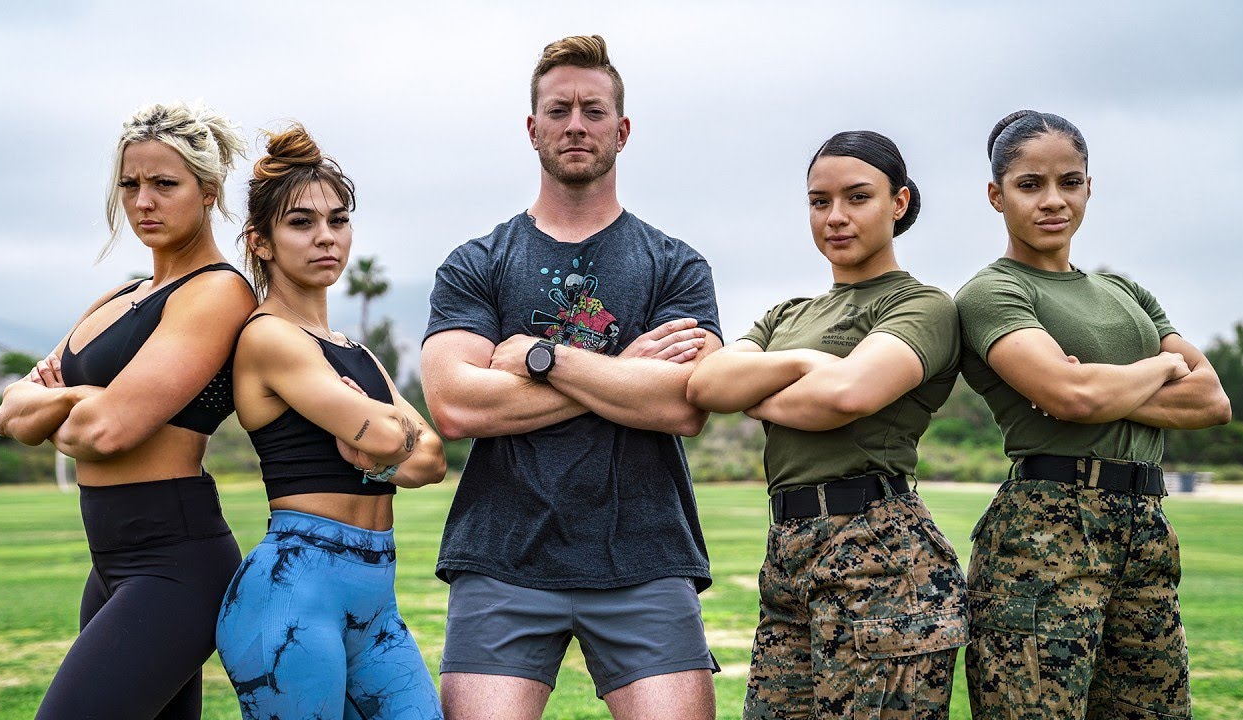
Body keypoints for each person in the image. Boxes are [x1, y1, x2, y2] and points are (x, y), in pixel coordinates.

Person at [421, 34, 722, 720]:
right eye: (559, 111)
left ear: (622, 129)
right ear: (533, 129)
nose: (576, 125)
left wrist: (543, 358)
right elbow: (457, 406)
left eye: (593, 110)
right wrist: (624, 376)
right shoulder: (477, 262)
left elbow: (683, 405)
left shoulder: (676, 264)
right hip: (501, 555)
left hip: (646, 553)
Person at [955, 110, 1232, 720]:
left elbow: (1212, 401)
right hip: (1045, 533)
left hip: (1146, 528)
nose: (1053, 200)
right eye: (1030, 185)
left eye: (1070, 182)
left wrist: (1095, 385)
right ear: (996, 195)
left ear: (1089, 186)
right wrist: (1160, 367)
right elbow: (1073, 399)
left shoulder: (1125, 293)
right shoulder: (993, 293)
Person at [688, 130, 968, 719]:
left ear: (899, 202)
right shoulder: (787, 316)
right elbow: (707, 385)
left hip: (879, 556)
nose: (835, 216)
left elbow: (846, 395)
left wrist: (757, 393)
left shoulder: (921, 306)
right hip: (788, 554)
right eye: (820, 202)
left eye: (857, 197)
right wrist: (802, 363)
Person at [0, 102, 255, 719]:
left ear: (209, 190)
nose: (144, 202)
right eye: (130, 185)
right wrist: (79, 399)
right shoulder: (119, 296)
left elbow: (108, 431)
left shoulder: (218, 292)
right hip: (108, 562)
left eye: (164, 184)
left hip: (175, 564)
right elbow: (11, 413)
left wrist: (70, 404)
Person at [214, 124, 446, 720]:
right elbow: (397, 438)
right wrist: (387, 439)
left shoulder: (354, 351)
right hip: (291, 594)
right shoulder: (269, 337)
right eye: (301, 222)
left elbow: (432, 460)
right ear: (261, 242)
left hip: (375, 599)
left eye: (338, 221)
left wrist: (379, 450)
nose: (326, 237)